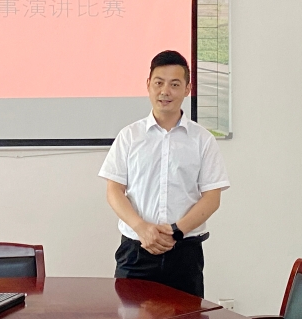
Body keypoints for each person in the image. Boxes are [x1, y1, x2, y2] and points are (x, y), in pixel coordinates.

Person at [98, 50, 230, 297]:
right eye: (159, 83)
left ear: (188, 89)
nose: (165, 91)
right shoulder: (129, 136)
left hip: (184, 253)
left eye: (174, 84)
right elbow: (114, 190)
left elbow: (212, 197)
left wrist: (175, 232)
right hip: (136, 252)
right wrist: (142, 228)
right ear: (148, 84)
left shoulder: (203, 140)